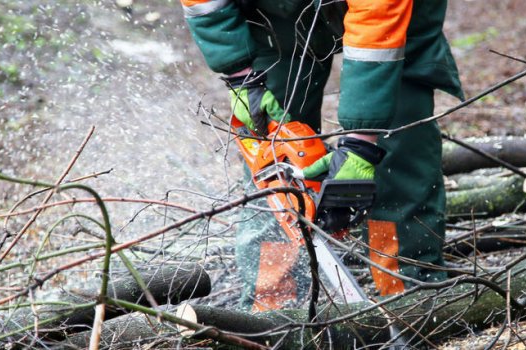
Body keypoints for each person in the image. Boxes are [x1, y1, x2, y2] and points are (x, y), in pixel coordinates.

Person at [179, 0, 463, 311]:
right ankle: (273, 311)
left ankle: (409, 296)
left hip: (393, 18)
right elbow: (204, 4)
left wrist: (361, 146)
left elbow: (378, 22)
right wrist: (240, 75)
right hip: (273, 15)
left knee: (399, 139)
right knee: (274, 155)